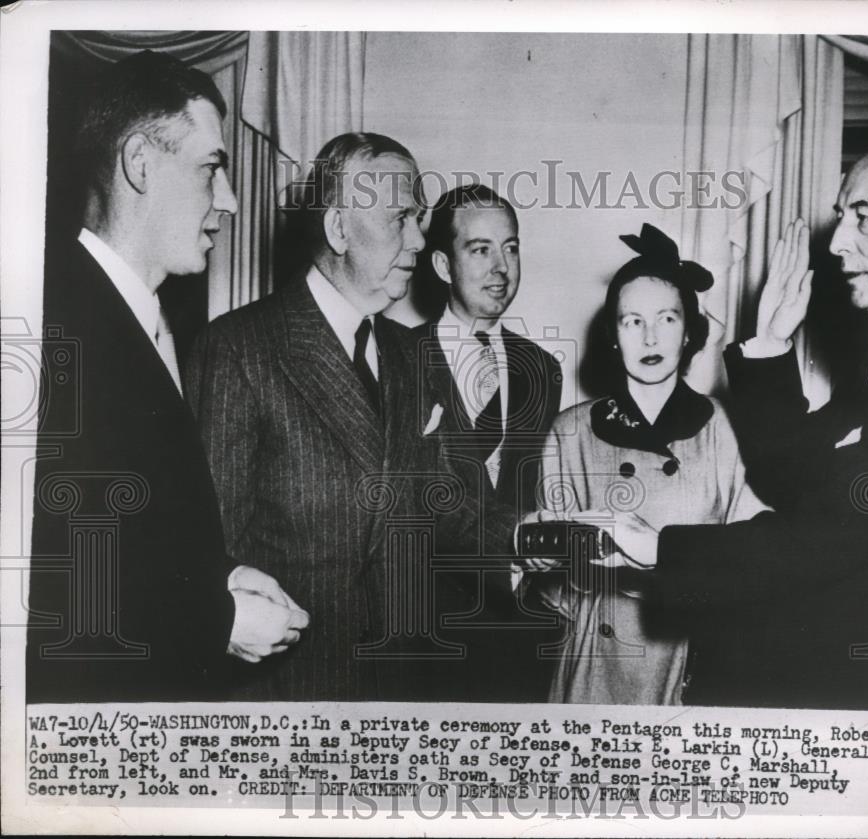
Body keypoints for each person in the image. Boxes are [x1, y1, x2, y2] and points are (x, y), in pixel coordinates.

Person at [577, 141, 868, 803]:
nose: (838, 242)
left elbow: (834, 528)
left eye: (863, 218)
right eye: (841, 216)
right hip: (856, 717)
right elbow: (803, 478)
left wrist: (659, 547)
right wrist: (768, 346)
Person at [186, 134, 517, 701]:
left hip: (401, 690)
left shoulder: (411, 355)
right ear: (339, 229)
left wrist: (533, 536)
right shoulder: (240, 348)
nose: (417, 238)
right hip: (293, 697)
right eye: (401, 219)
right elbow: (211, 547)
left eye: (417, 217)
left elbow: (447, 508)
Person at [28, 50, 307, 703]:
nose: (230, 201)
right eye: (213, 169)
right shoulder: (53, 328)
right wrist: (219, 618)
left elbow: (125, 527)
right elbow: (47, 577)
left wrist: (221, 576)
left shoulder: (140, 318)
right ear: (140, 164)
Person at [523, 224, 768, 704]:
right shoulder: (570, 432)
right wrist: (540, 552)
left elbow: (751, 556)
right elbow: (558, 587)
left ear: (689, 331)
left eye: (667, 319)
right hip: (595, 666)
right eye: (632, 321)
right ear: (613, 335)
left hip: (691, 654)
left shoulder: (726, 427)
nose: (650, 336)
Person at [413, 184, 563, 700]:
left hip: (517, 636)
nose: (501, 268)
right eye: (480, 250)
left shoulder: (543, 369)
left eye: (511, 247)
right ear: (440, 264)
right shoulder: (395, 361)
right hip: (422, 636)